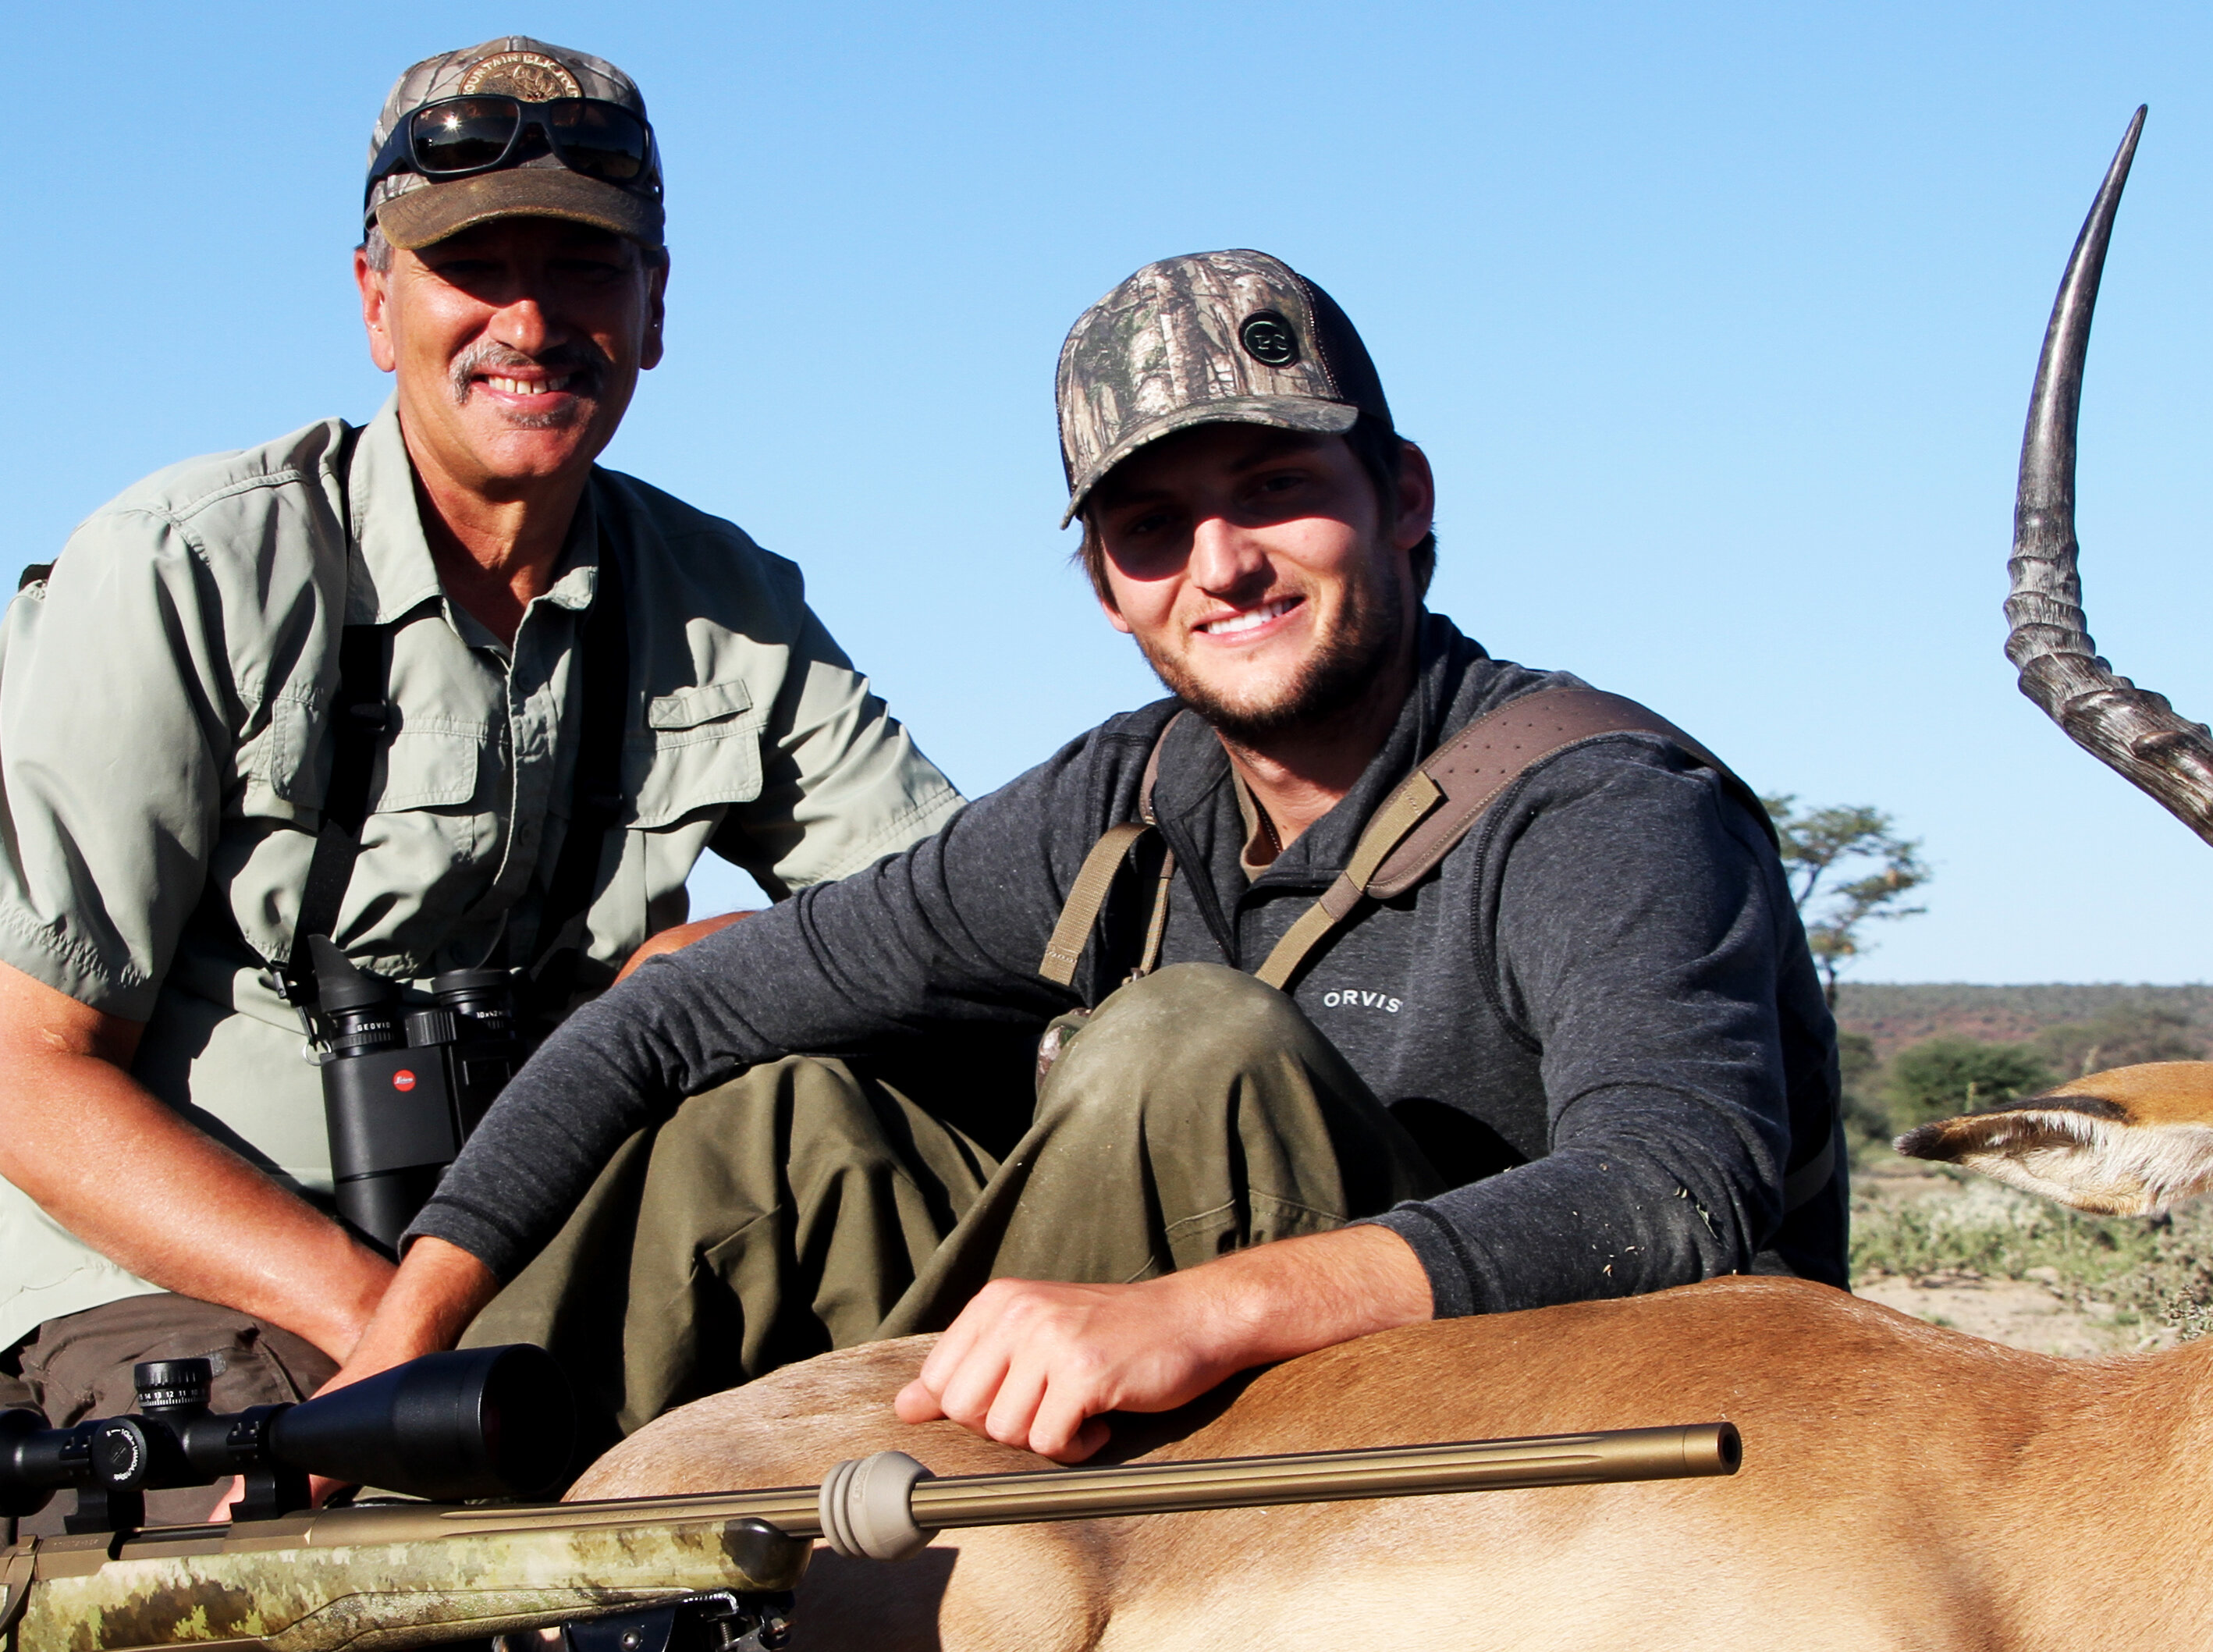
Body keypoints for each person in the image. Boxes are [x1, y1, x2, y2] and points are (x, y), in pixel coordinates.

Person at [0, 36, 961, 1652]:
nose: (530, 322)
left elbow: (942, 920)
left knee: (684, 1602)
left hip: (512, 1253)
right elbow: (31, 1079)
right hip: (224, 1269)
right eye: (476, 269)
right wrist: (375, 1321)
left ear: (657, 305)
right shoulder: (175, 568)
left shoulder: (729, 604)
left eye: (585, 269)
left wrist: (729, 978)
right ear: (377, 297)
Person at [336, 248, 1843, 1466]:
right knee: (783, 1121)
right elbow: (672, 1021)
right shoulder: (1118, 801)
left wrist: (1207, 1312)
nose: (1223, 565)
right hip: (1192, 1438)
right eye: (1151, 527)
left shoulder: (1599, 801)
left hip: (1540, 1472)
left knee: (1191, 1049)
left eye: (1275, 490)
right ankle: (421, 1588)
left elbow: (1675, 1187)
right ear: (1107, 590)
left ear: (1406, 501)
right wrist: (401, 1335)